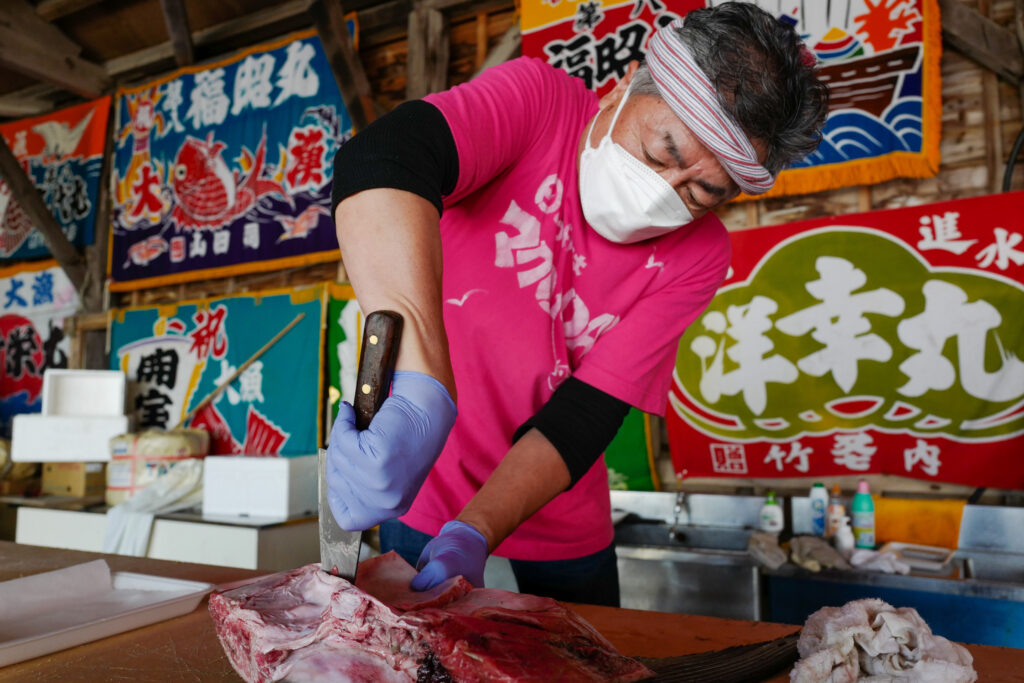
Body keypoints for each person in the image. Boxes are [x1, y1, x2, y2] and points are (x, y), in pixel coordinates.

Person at [327, 2, 828, 606]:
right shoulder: (539, 103)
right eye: (661, 150)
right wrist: (420, 382)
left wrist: (477, 530)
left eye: (701, 192)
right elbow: (385, 159)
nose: (663, 195)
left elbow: (586, 414)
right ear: (622, 90)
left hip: (561, 514)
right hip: (417, 483)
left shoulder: (698, 255)